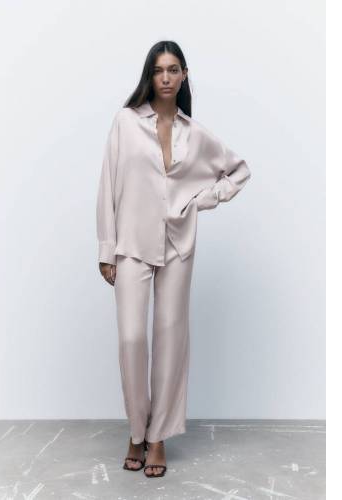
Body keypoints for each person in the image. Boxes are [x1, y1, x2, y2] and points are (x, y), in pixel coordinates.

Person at [96, 40, 251, 478]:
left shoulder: (195, 133)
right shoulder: (126, 122)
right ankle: (137, 430)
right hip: (131, 244)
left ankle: (158, 436)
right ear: (150, 75)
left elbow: (239, 170)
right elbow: (107, 184)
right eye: (158, 70)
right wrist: (106, 249)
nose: (165, 77)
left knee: (169, 340)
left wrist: (202, 200)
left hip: (178, 245)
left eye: (173, 69)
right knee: (132, 339)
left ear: (184, 76)